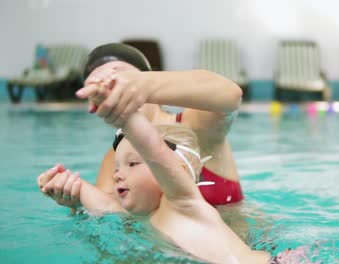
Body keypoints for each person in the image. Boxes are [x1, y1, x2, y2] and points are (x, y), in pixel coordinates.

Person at [38, 103, 308, 263]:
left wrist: (123, 115)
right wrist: (67, 186)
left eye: (133, 164)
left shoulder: (182, 205)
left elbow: (155, 151)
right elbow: (105, 203)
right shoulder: (148, 216)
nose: (118, 174)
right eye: (117, 167)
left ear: (175, 169)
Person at [37, 43, 244, 210]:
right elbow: (110, 217)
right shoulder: (116, 157)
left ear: (144, 76)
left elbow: (231, 95)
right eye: (98, 86)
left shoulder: (194, 128)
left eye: (118, 76)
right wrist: (76, 201)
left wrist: (146, 85)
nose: (111, 87)